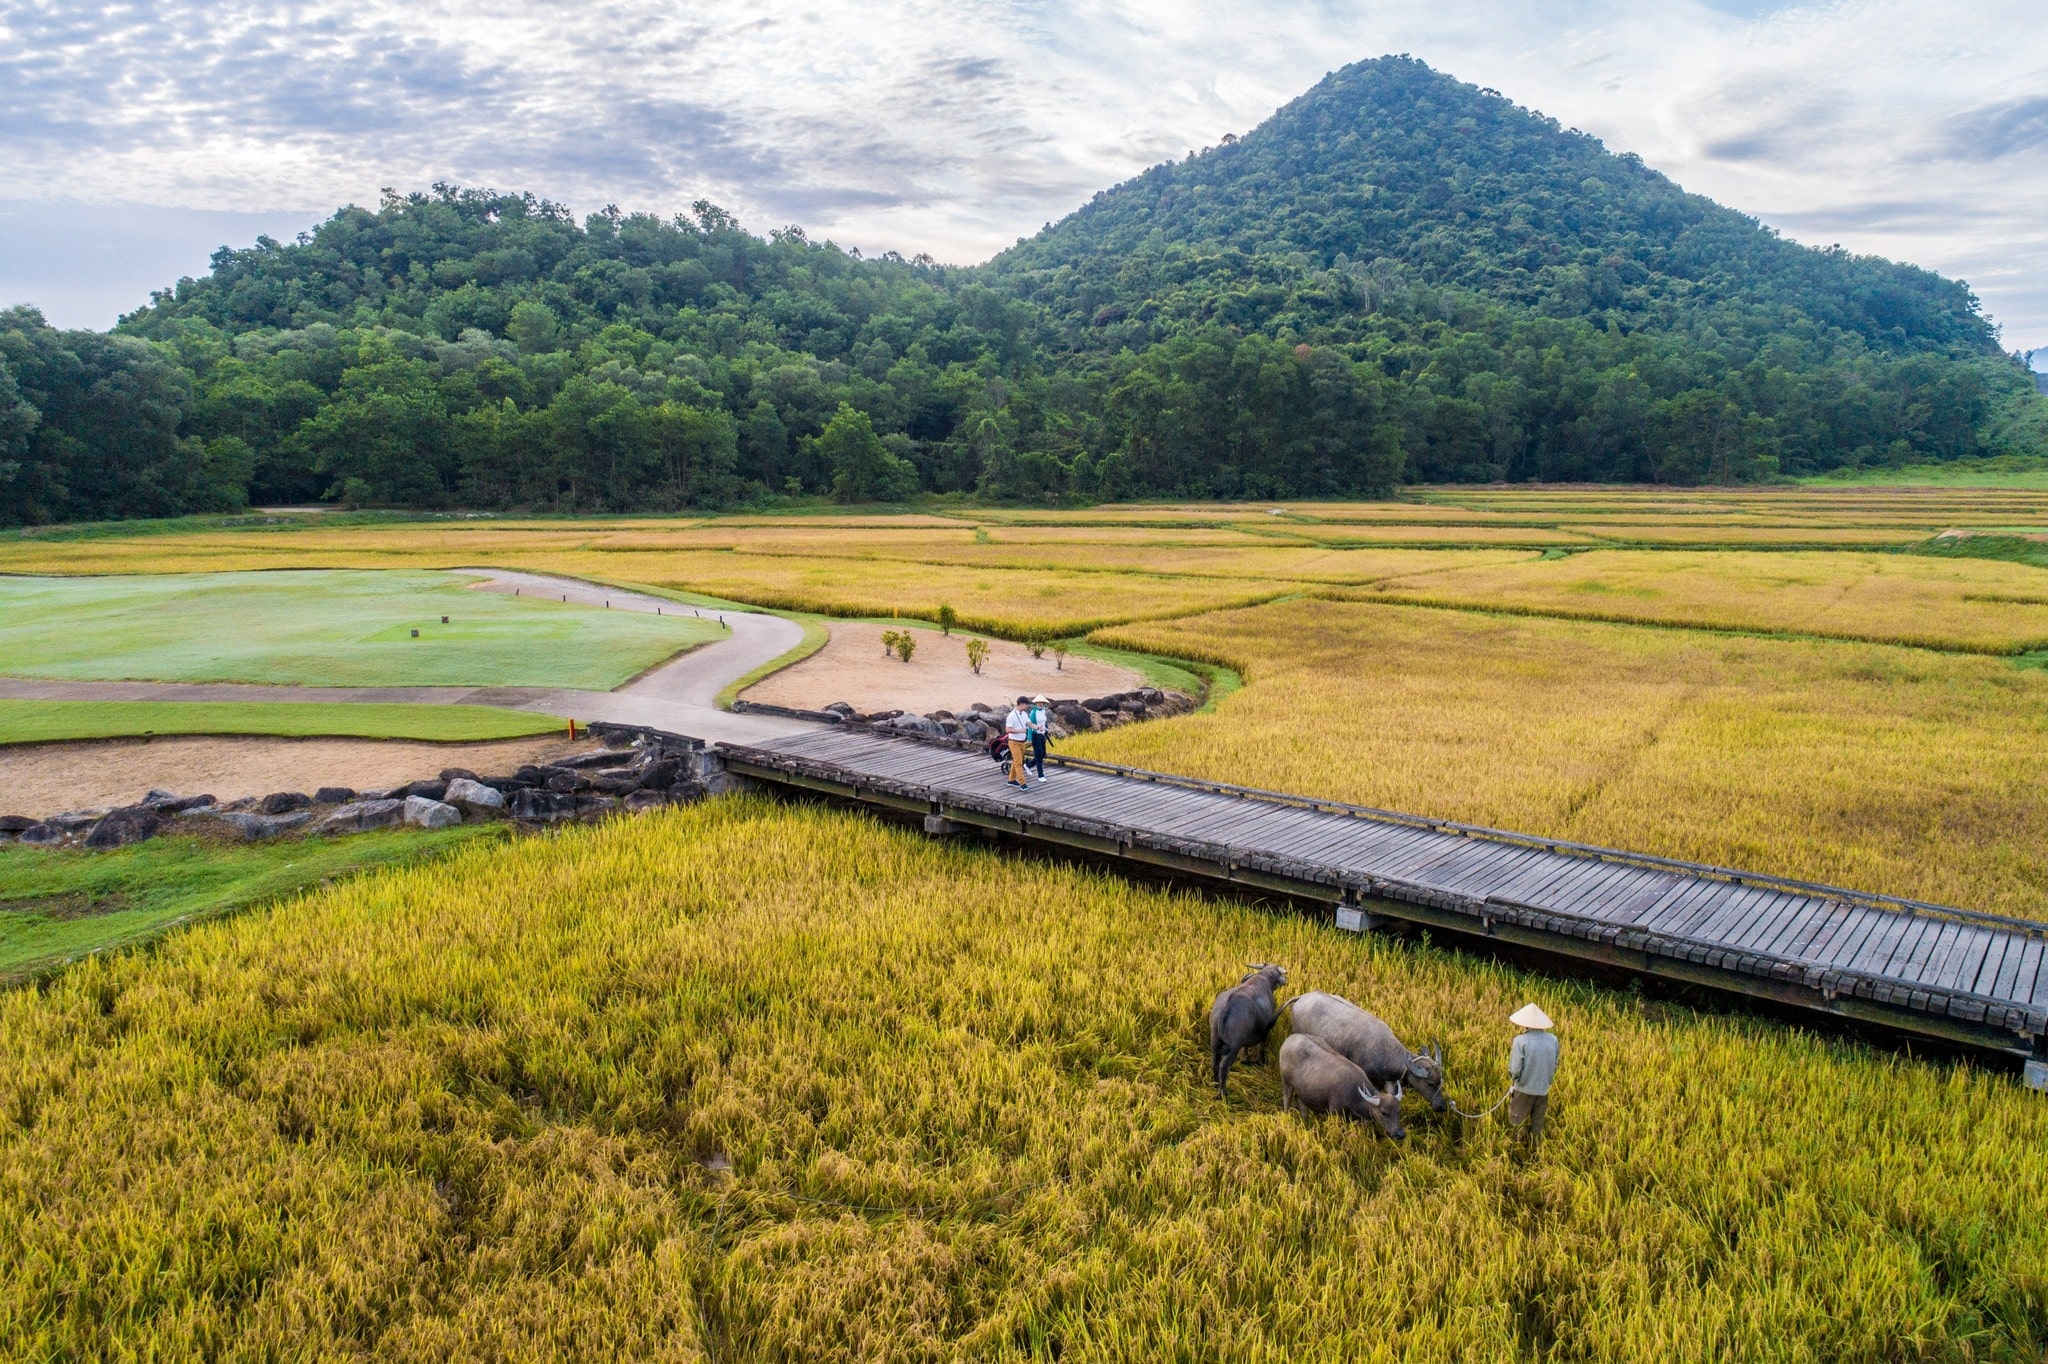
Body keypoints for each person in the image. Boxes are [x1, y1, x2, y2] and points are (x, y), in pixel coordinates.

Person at [1506, 1003, 1559, 1147]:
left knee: (1516, 1121)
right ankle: (1535, 1150)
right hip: (1543, 1090)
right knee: (1538, 1124)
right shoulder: (1553, 1040)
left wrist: (1514, 1080)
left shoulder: (1521, 1041)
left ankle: (1515, 1149)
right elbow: (1555, 1066)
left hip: (1523, 1089)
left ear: (1525, 1024)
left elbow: (1515, 1069)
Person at [1003, 696, 1031, 789]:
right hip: (1014, 742)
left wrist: (1037, 727)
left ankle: (1011, 780)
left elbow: (1029, 723)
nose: (1027, 706)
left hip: (1022, 742)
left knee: (1016, 761)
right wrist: (1019, 730)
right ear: (1022, 704)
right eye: (1026, 704)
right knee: (1019, 762)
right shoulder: (1011, 715)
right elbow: (1007, 729)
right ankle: (1022, 783)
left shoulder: (1024, 714)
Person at [1027, 694, 1052, 781]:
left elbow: (1044, 722)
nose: (1040, 704)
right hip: (1035, 734)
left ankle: (1028, 765)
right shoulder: (1033, 712)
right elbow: (1030, 725)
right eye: (1038, 703)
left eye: (1041, 703)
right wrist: (1029, 738)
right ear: (1036, 704)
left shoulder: (1043, 711)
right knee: (1038, 755)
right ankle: (1040, 775)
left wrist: (1047, 729)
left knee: (1043, 753)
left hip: (1042, 734)